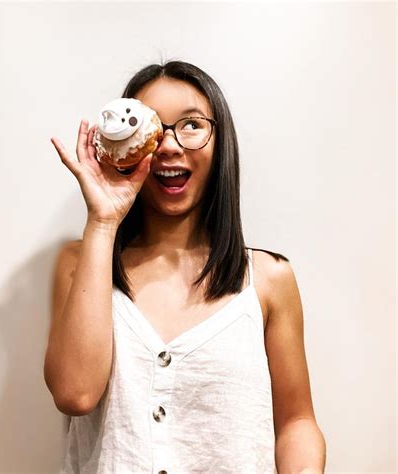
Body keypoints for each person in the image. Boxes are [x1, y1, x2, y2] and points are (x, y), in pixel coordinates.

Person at [44, 61, 326, 473]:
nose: (170, 145)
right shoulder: (82, 262)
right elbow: (75, 395)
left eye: (192, 125)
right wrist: (103, 221)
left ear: (220, 140)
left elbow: (296, 422)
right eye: (153, 128)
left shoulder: (268, 279)